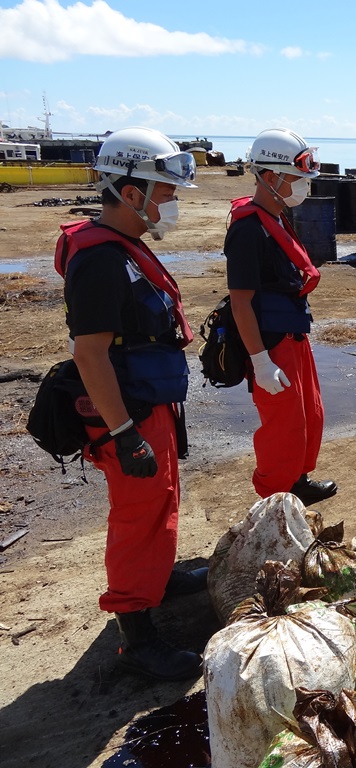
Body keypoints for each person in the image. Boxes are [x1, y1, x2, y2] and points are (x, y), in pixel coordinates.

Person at [58, 126, 205, 680]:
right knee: (137, 514)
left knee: (161, 499)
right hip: (127, 411)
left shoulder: (126, 247)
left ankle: (157, 579)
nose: (171, 204)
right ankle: (137, 635)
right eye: (164, 193)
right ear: (130, 191)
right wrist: (123, 433)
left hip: (149, 399)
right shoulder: (98, 260)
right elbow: (90, 355)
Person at [224, 128, 337, 505]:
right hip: (271, 345)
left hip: (293, 335)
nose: (303, 186)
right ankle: (274, 499)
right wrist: (259, 361)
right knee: (283, 427)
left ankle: (297, 481)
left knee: (308, 416)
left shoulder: (275, 218)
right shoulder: (248, 230)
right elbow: (241, 302)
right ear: (270, 177)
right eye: (297, 178)